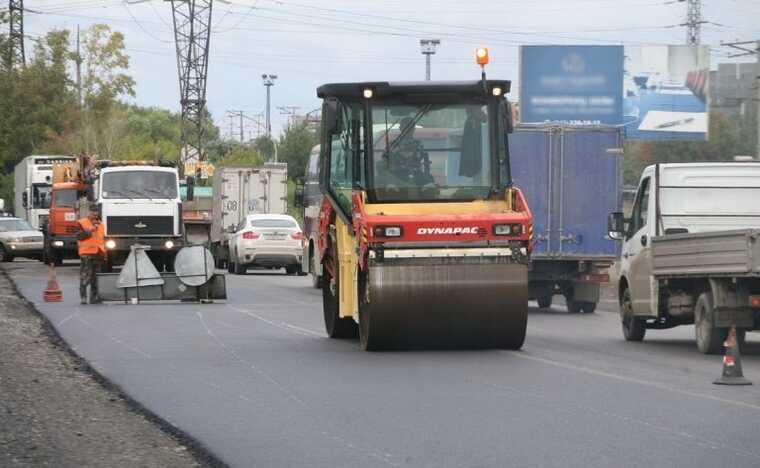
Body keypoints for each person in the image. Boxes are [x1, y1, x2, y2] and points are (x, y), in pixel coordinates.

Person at [388, 117, 434, 185]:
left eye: (411, 127)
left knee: (429, 183)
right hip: (397, 176)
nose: (408, 130)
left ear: (414, 129)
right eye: (406, 127)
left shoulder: (418, 144)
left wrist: (427, 174)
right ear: (400, 128)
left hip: (417, 175)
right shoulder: (393, 144)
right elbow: (384, 162)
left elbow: (426, 161)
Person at [77, 205, 106, 305]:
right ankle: (83, 297)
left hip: (98, 253)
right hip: (86, 253)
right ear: (89, 212)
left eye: (96, 212)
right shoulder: (82, 222)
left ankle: (94, 297)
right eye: (93, 211)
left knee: (96, 277)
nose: (95, 214)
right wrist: (90, 230)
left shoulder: (101, 224)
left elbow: (102, 239)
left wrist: (104, 253)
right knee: (86, 276)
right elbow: (78, 236)